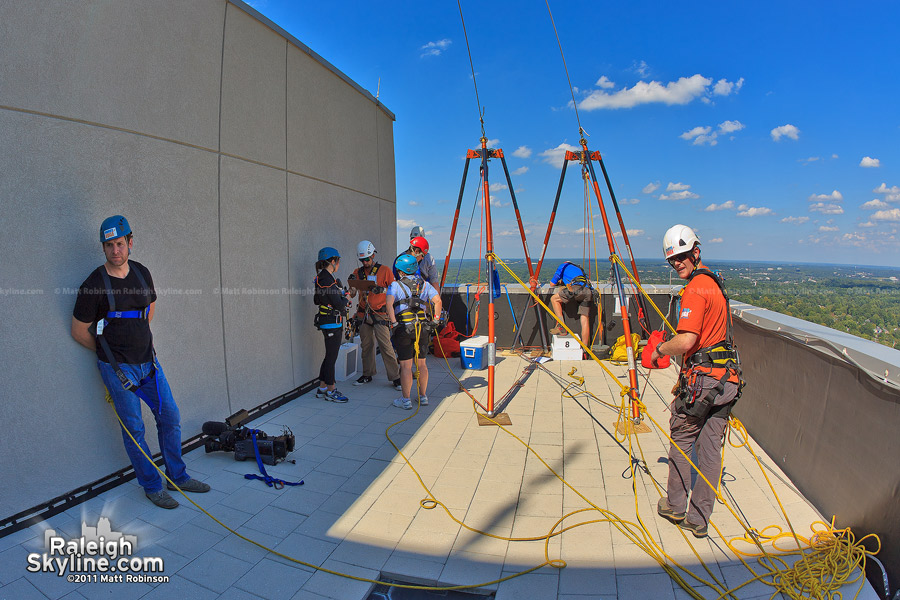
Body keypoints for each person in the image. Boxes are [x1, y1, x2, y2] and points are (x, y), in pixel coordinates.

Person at [71, 215, 210, 510]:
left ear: (130, 243)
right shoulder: (94, 284)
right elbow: (79, 331)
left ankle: (178, 476)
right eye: (108, 245)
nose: (115, 250)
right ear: (104, 249)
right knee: (134, 429)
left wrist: (140, 343)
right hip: (119, 371)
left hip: (150, 365)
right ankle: (151, 485)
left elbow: (149, 309)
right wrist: (109, 355)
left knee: (169, 417)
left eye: (119, 243)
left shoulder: (142, 273)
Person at [651, 224, 743, 538]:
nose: (677, 263)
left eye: (681, 257)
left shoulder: (695, 289)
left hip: (703, 382)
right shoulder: (715, 284)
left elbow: (688, 340)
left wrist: (659, 350)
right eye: (672, 260)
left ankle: (676, 505)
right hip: (726, 381)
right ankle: (699, 519)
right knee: (710, 452)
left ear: (695, 252)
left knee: (682, 440)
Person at [386, 253, 442, 410]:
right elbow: (437, 301)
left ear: (400, 271)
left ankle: (406, 400)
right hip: (422, 328)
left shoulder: (395, 286)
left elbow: (389, 304)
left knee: (405, 366)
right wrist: (435, 321)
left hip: (404, 328)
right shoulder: (424, 285)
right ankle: (423, 396)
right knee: (422, 364)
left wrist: (394, 323)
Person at [348, 240, 401, 390]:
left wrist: (382, 290)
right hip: (364, 313)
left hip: (380, 313)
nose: (365, 263)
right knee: (366, 345)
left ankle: (395, 377)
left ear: (373, 255)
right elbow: (352, 294)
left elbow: (395, 290)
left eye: (367, 259)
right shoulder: (357, 273)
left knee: (386, 346)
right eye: (362, 260)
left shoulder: (384, 271)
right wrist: (351, 285)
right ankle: (367, 374)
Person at [314, 247, 350, 403]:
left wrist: (339, 296)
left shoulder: (321, 278)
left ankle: (322, 387)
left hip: (327, 321)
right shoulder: (327, 280)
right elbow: (338, 304)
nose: (339, 264)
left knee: (329, 356)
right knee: (331, 357)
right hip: (331, 323)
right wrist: (345, 299)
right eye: (338, 261)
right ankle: (331, 389)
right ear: (333, 261)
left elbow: (317, 300)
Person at [548, 261, 596, 342]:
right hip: (587, 291)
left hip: (575, 289)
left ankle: (561, 326)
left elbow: (552, 284)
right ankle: (585, 349)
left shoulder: (563, 266)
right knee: (585, 319)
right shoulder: (579, 268)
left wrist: (560, 282)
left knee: (554, 299)